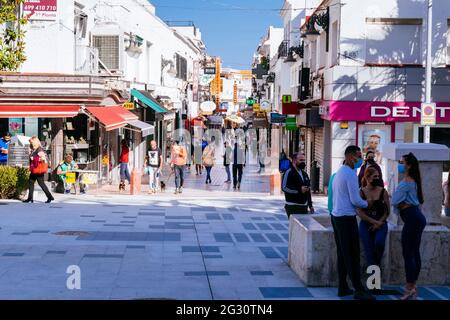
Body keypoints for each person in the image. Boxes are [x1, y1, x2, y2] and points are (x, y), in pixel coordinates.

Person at [331, 145, 375, 300]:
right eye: (358, 156)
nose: (360, 159)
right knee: (352, 254)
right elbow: (355, 199)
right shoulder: (349, 173)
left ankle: (343, 287)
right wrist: (368, 203)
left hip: (337, 216)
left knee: (343, 254)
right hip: (346, 218)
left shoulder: (340, 171)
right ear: (350, 157)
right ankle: (359, 289)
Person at [391, 152, 426, 300]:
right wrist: (403, 203)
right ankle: (413, 286)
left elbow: (394, 200)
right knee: (414, 252)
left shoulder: (406, 183)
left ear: (409, 165)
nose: (399, 164)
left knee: (408, 253)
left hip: (412, 218)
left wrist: (401, 203)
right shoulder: (414, 181)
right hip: (416, 217)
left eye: (402, 162)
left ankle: (409, 288)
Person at [356, 166, 390, 271]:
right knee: (369, 249)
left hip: (381, 223)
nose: (377, 178)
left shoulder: (383, 192)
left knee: (379, 243)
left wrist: (379, 222)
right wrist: (374, 222)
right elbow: (359, 212)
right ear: (367, 177)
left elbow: (387, 211)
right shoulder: (361, 192)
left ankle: (376, 268)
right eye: (375, 176)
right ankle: (374, 282)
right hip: (366, 224)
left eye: (378, 176)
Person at [23, 136, 54, 203]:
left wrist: (34, 159)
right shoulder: (35, 149)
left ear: (35, 142)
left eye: (31, 142)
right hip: (34, 169)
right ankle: (30, 198)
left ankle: (49, 197)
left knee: (41, 183)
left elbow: (43, 159)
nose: (30, 143)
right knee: (31, 182)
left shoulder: (39, 149)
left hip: (38, 170)